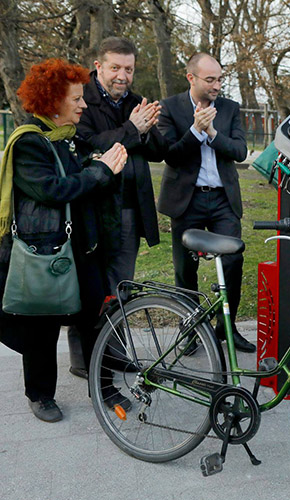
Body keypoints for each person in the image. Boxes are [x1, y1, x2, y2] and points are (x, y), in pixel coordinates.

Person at [0, 59, 129, 422]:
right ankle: (40, 395)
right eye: (76, 99)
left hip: (82, 248)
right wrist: (100, 170)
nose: (83, 105)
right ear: (54, 102)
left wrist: (102, 166)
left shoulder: (70, 140)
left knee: (93, 318)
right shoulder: (29, 143)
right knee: (41, 325)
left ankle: (102, 387)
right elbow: (53, 190)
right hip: (46, 250)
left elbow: (87, 177)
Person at [70, 37, 167, 379]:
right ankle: (85, 359)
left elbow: (158, 151)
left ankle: (113, 351)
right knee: (92, 286)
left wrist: (148, 129)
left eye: (128, 68)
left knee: (121, 285)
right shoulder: (81, 98)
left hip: (130, 207)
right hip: (94, 206)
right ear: (99, 67)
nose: (122, 76)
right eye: (115, 68)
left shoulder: (138, 102)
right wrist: (132, 129)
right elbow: (88, 143)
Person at [157, 52, 255, 353]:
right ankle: (191, 329)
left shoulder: (229, 108)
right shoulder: (170, 107)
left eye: (220, 79)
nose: (217, 85)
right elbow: (170, 154)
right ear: (192, 78)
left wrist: (211, 133)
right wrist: (195, 131)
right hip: (187, 200)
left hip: (223, 198)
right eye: (210, 79)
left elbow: (240, 151)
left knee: (233, 260)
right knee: (185, 268)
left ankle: (227, 327)